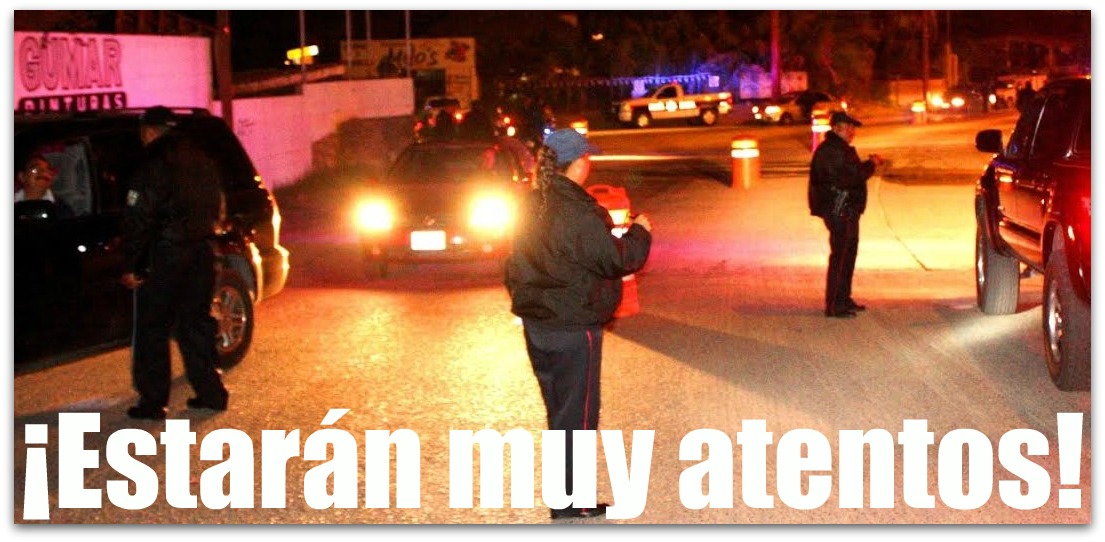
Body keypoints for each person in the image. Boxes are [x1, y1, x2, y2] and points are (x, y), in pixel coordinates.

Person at [504, 128, 652, 520]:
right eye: (587, 157)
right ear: (579, 164)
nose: (589, 163)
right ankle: (575, 504)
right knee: (579, 417)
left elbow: (512, 264)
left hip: (539, 324)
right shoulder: (578, 212)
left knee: (560, 413)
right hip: (573, 326)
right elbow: (619, 258)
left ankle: (564, 499)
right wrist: (640, 232)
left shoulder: (531, 204)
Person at [121, 106, 229, 420]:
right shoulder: (202, 160)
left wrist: (132, 265)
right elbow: (217, 207)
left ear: (149, 131)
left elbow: (139, 218)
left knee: (152, 329)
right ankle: (211, 393)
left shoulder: (151, 163)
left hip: (164, 256)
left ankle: (153, 402)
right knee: (196, 324)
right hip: (201, 253)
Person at [808, 111, 883, 319]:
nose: (852, 132)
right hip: (839, 209)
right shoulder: (831, 151)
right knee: (840, 257)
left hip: (847, 209)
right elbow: (851, 177)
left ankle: (843, 298)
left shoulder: (838, 149)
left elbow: (851, 173)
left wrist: (867, 165)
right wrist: (871, 165)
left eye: (853, 128)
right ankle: (834, 305)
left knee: (848, 255)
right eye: (847, 127)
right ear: (836, 128)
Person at [15, 153, 75, 217]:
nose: (43, 173)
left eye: (48, 170)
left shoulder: (62, 209)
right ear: (22, 176)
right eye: (36, 169)